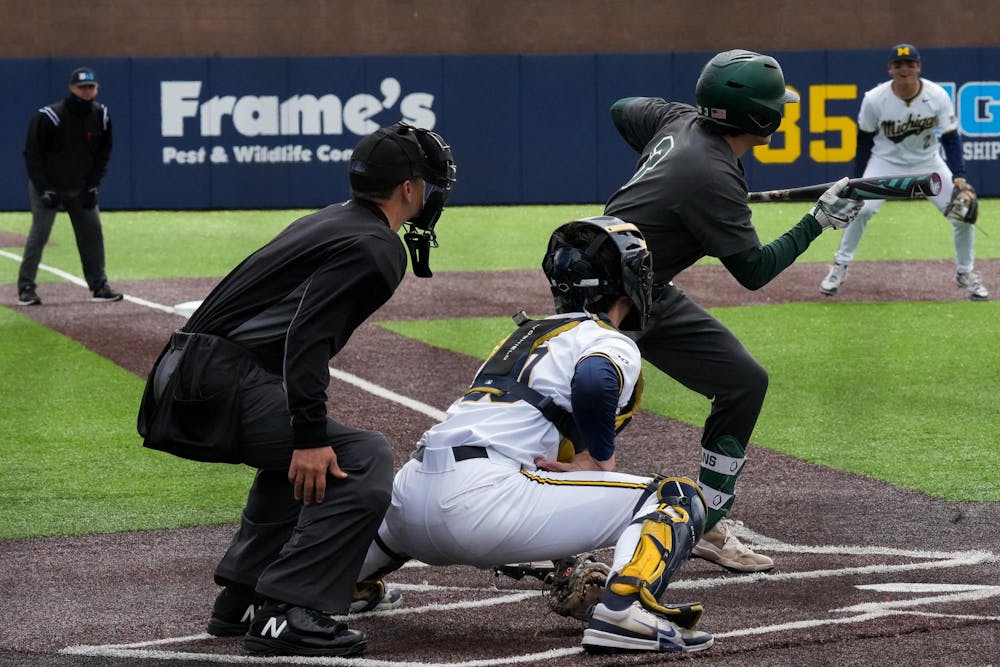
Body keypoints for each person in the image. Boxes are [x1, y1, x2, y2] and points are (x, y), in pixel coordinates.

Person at [136, 122, 457, 657]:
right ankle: (288, 610)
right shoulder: (376, 244)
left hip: (188, 372)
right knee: (358, 458)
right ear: (409, 188)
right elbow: (305, 337)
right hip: (215, 380)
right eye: (430, 183)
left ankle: (241, 597)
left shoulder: (334, 219)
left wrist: (304, 434)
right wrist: (308, 434)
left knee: (302, 459)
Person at [357, 216, 716, 655]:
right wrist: (598, 458)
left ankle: (344, 586)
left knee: (334, 574)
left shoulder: (524, 335)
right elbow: (594, 380)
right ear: (626, 280)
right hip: (483, 501)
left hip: (408, 501)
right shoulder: (604, 337)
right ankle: (624, 610)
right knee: (676, 497)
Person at [603, 50, 863, 573]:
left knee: (743, 380)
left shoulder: (677, 121)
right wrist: (818, 221)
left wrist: (669, 150)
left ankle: (707, 519)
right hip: (610, 299)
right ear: (764, 121)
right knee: (585, 418)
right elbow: (754, 271)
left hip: (633, 280)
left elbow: (621, 107)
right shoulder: (715, 177)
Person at [819, 43, 988, 301]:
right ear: (890, 69)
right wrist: (856, 179)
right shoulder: (875, 99)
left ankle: (965, 273)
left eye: (910, 63)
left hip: (928, 162)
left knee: (963, 214)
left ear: (918, 67)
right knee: (861, 209)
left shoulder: (937, 96)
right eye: (898, 65)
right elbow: (864, 141)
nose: (904, 69)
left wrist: (959, 176)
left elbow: (951, 138)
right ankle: (840, 266)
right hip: (885, 162)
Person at [17, 66, 123, 306]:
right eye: (82, 87)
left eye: (91, 87)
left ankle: (99, 285)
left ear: (97, 88)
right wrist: (44, 188)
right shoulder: (50, 116)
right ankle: (26, 287)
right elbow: (32, 154)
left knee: (92, 233)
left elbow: (103, 154)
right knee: (39, 233)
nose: (86, 91)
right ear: (72, 88)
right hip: (49, 186)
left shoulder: (101, 116)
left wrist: (93, 185)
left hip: (81, 186)